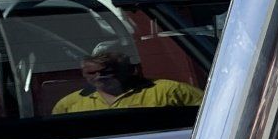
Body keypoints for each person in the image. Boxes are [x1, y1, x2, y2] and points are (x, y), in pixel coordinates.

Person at [52, 41, 203, 114]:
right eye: (92, 73)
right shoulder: (69, 105)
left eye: (107, 71)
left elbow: (213, 113)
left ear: (130, 70)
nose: (99, 77)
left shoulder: (169, 90)